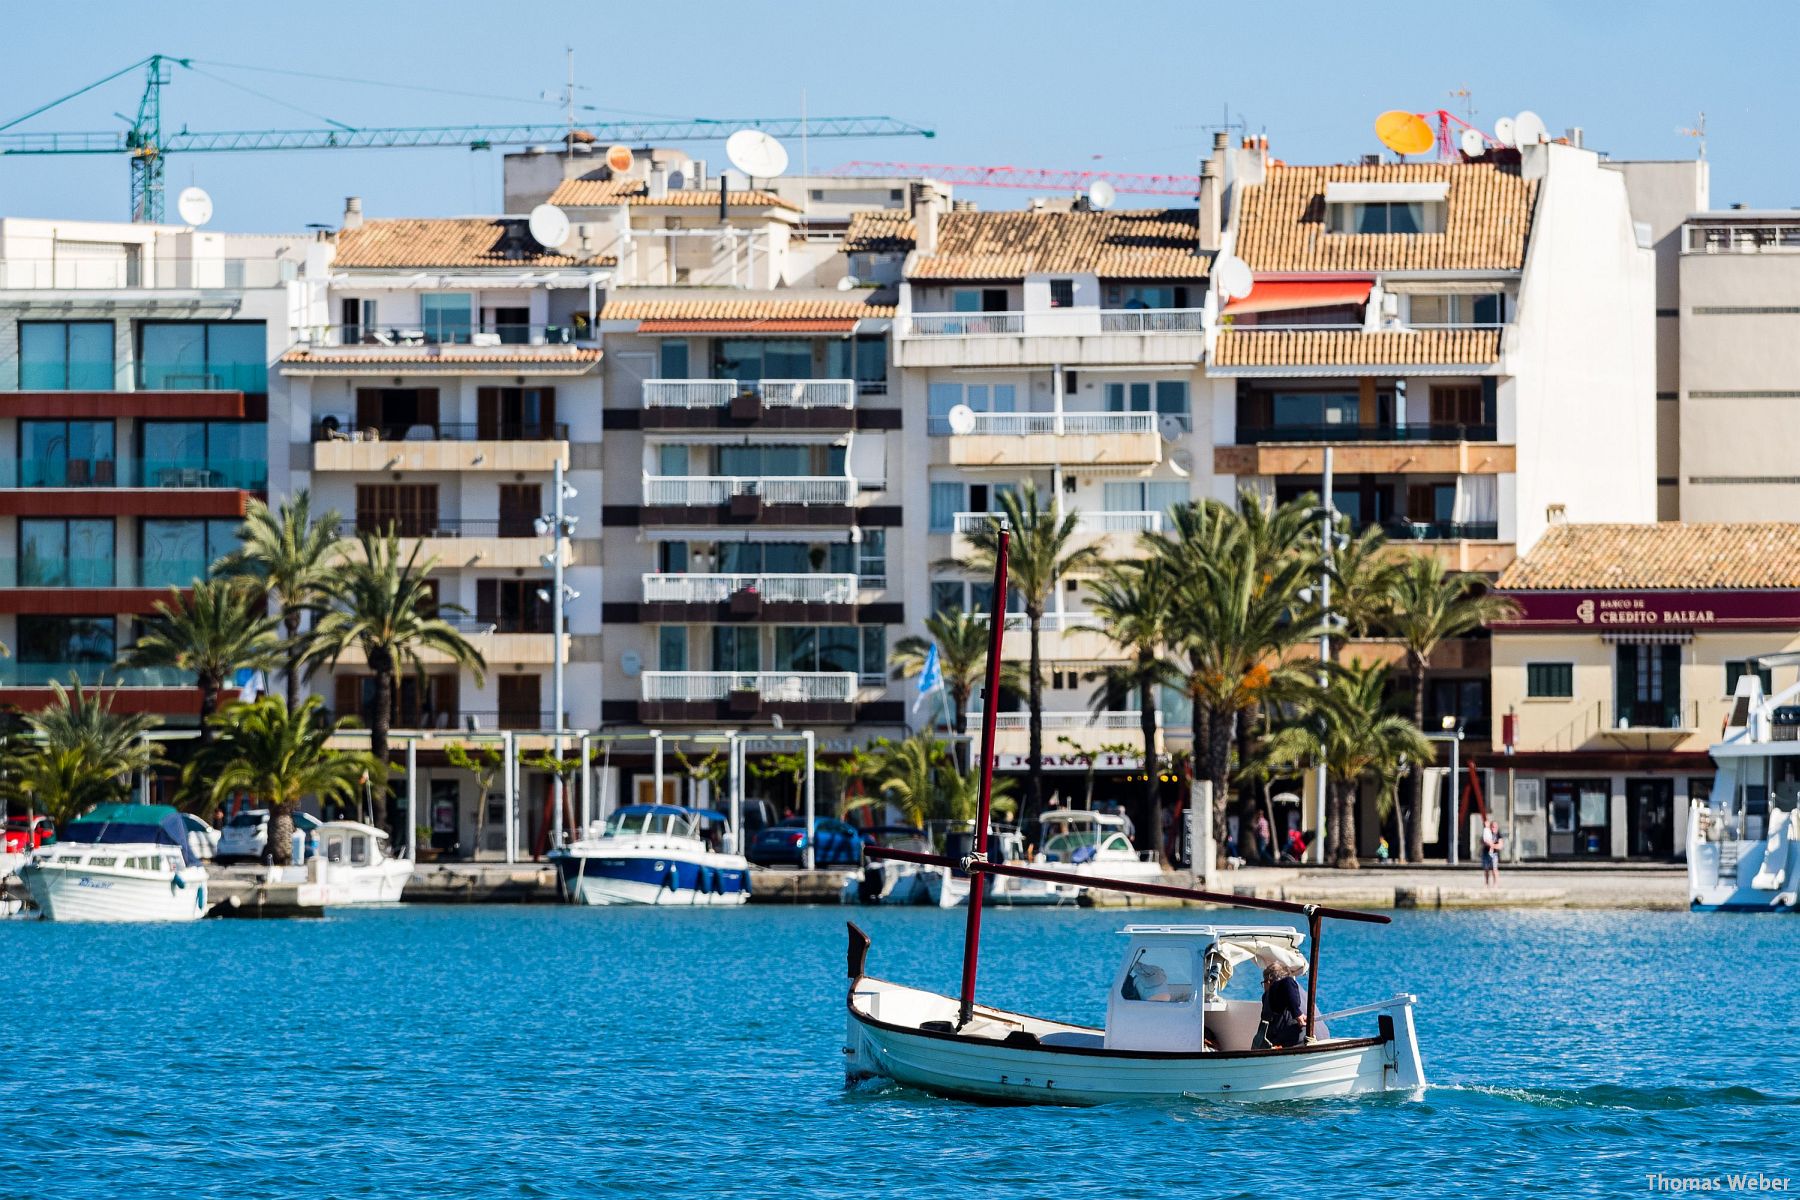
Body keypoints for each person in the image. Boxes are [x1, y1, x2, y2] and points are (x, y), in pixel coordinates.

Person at [1253, 961, 1307, 1049]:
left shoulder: (1274, 991)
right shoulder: (1270, 996)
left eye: (1264, 983)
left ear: (1269, 981)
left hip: (1291, 1044)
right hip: (1284, 1043)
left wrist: (1298, 1014)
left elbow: (1287, 982)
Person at [1482, 819, 1504, 886]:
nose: (1493, 828)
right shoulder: (1487, 833)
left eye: (1495, 827)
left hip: (1494, 854)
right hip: (1486, 853)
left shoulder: (1498, 835)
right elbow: (1484, 841)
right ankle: (1486, 884)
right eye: (1492, 826)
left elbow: (1500, 845)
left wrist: (1492, 845)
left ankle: (1495, 884)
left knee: (1494, 869)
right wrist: (1490, 844)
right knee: (1486, 869)